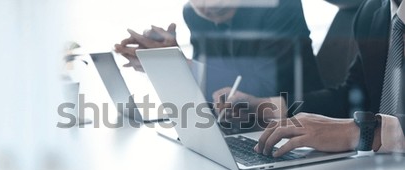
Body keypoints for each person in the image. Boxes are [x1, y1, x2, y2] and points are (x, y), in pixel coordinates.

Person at [115, 0, 324, 121]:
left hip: (297, 118)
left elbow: (266, 88)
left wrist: (180, 65)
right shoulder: (193, 14)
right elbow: (210, 91)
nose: (209, 5)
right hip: (238, 126)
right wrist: (168, 61)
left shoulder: (279, 5)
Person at [254, 0, 405, 157]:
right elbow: (352, 96)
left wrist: (360, 133)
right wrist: (265, 106)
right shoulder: (372, 11)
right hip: (379, 165)